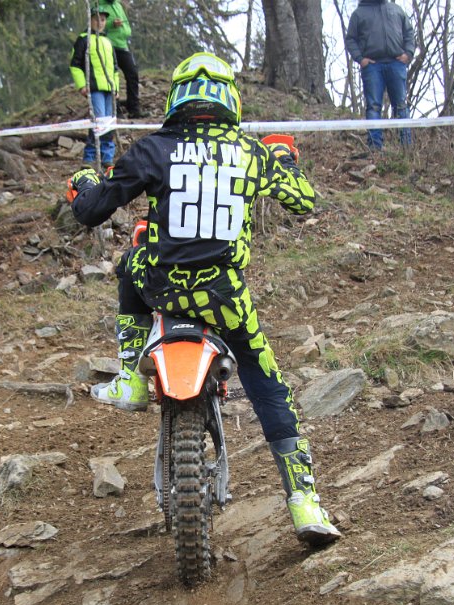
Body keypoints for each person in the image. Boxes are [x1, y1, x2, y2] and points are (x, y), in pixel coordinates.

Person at [66, 53, 342, 547]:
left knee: (131, 263)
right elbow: (303, 199)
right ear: (228, 98)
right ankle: (304, 502)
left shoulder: (152, 149)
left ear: (178, 98)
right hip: (225, 298)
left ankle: (131, 376)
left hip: (162, 287)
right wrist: (283, 157)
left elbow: (90, 211)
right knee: (268, 387)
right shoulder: (250, 152)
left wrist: (84, 182)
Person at [344, 0, 415, 151]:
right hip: (372, 65)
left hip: (396, 63)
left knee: (401, 105)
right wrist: (360, 59)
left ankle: (406, 146)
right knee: (373, 106)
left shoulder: (396, 10)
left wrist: (408, 53)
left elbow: (409, 32)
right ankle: (375, 147)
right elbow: (350, 39)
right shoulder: (359, 13)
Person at [70, 8, 119, 168]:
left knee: (109, 123)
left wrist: (116, 88)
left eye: (103, 20)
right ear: (90, 20)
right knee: (98, 121)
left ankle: (107, 157)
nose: (100, 22)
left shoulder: (108, 42)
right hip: (95, 88)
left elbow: (115, 68)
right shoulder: (83, 40)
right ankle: (90, 157)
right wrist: (81, 85)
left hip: (110, 90)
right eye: (97, 19)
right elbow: (75, 65)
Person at [98, 0, 142, 118]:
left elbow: (125, 23)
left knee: (132, 73)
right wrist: (112, 24)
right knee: (112, 77)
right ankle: (115, 110)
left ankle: (134, 109)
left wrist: (126, 30)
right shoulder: (99, 6)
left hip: (122, 45)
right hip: (108, 45)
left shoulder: (117, 5)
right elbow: (97, 24)